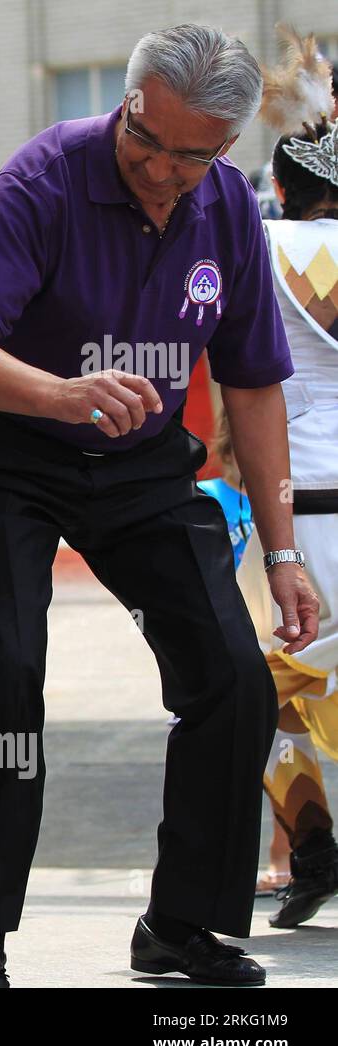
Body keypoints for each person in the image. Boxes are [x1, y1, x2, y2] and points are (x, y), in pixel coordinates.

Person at [0, 23, 319, 987]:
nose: (164, 171)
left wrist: (282, 552)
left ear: (227, 145)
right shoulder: (45, 177)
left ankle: (183, 925)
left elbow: (255, 386)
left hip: (140, 467)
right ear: (129, 104)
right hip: (6, 457)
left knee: (235, 680)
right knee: (8, 680)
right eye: (150, 143)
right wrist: (58, 391)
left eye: (195, 155)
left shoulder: (224, 207)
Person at [238, 30, 338, 931]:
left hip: (291, 515)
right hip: (308, 508)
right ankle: (311, 850)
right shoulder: (280, 243)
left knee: (258, 690)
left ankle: (309, 845)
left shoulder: (255, 244)